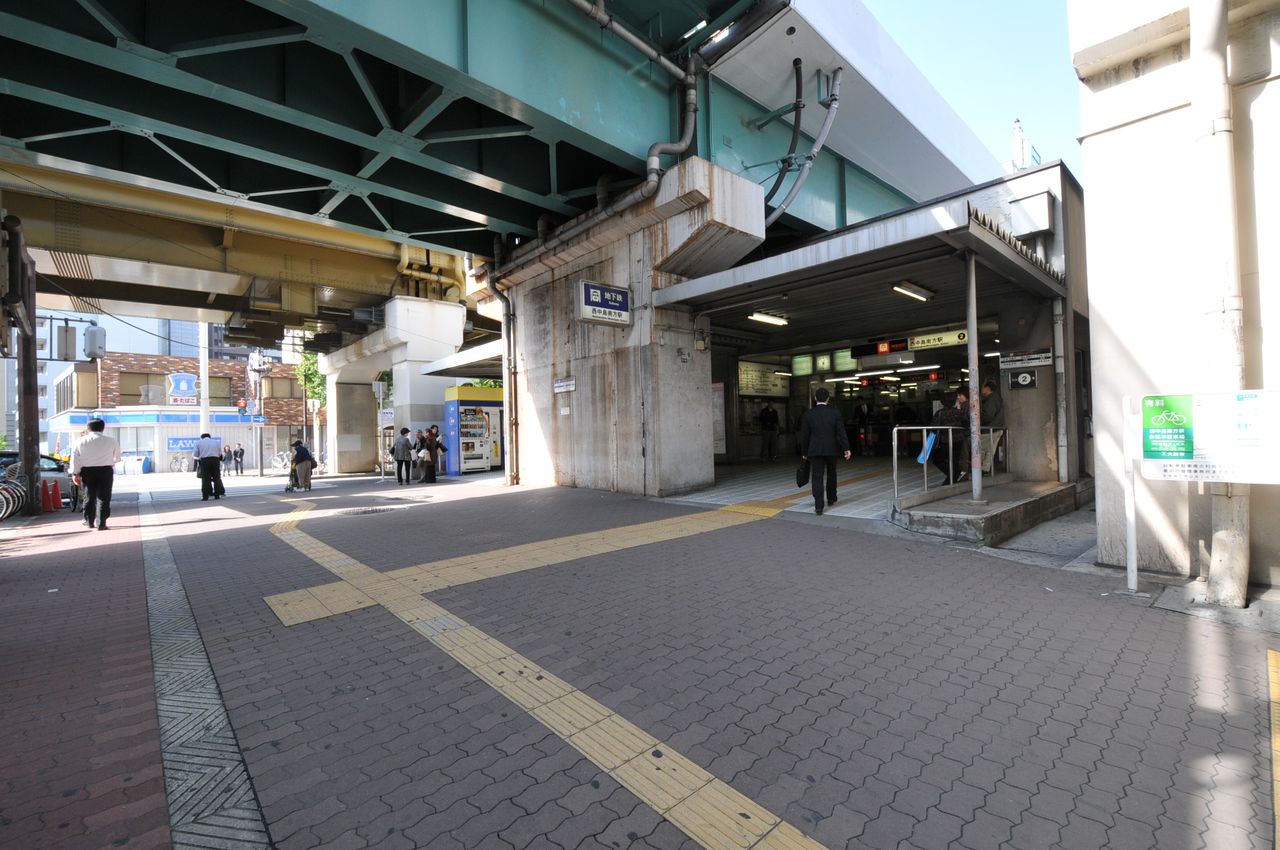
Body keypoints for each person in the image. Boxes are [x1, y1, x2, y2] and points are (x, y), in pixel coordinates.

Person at [798, 388, 851, 515]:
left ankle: (818, 506)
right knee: (832, 473)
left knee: (817, 476)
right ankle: (831, 498)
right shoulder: (835, 413)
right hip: (832, 449)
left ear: (815, 398)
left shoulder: (808, 414)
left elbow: (804, 436)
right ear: (828, 399)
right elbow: (841, 432)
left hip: (815, 450)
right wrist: (846, 448)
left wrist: (804, 452)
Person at [70, 418, 120, 531]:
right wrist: (109, 462)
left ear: (88, 428)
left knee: (89, 496)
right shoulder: (112, 441)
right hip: (106, 470)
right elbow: (117, 458)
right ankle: (101, 523)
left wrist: (75, 473)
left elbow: (75, 459)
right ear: (103, 428)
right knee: (104, 497)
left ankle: (89, 521)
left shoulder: (79, 441)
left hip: (87, 471)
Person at [931, 390, 970, 484]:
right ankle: (952, 477)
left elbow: (934, 428)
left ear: (942, 402)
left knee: (937, 459)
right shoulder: (959, 412)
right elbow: (966, 423)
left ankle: (953, 475)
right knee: (954, 460)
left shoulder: (939, 413)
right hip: (958, 440)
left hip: (945, 441)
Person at [980, 378, 1006, 473]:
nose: (981, 390)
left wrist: (979, 419)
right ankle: (985, 469)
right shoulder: (996, 398)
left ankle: (982, 469)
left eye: (982, 387)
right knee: (990, 450)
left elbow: (988, 415)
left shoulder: (991, 399)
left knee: (982, 449)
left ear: (987, 388)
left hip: (990, 428)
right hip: (996, 427)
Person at [193, 433, 226, 501]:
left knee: (205, 479)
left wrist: (201, 455)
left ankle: (205, 497)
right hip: (215, 460)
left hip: (205, 461)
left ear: (202, 438)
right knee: (216, 478)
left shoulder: (198, 442)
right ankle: (217, 496)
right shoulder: (216, 442)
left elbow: (195, 453)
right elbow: (220, 453)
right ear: (209, 437)